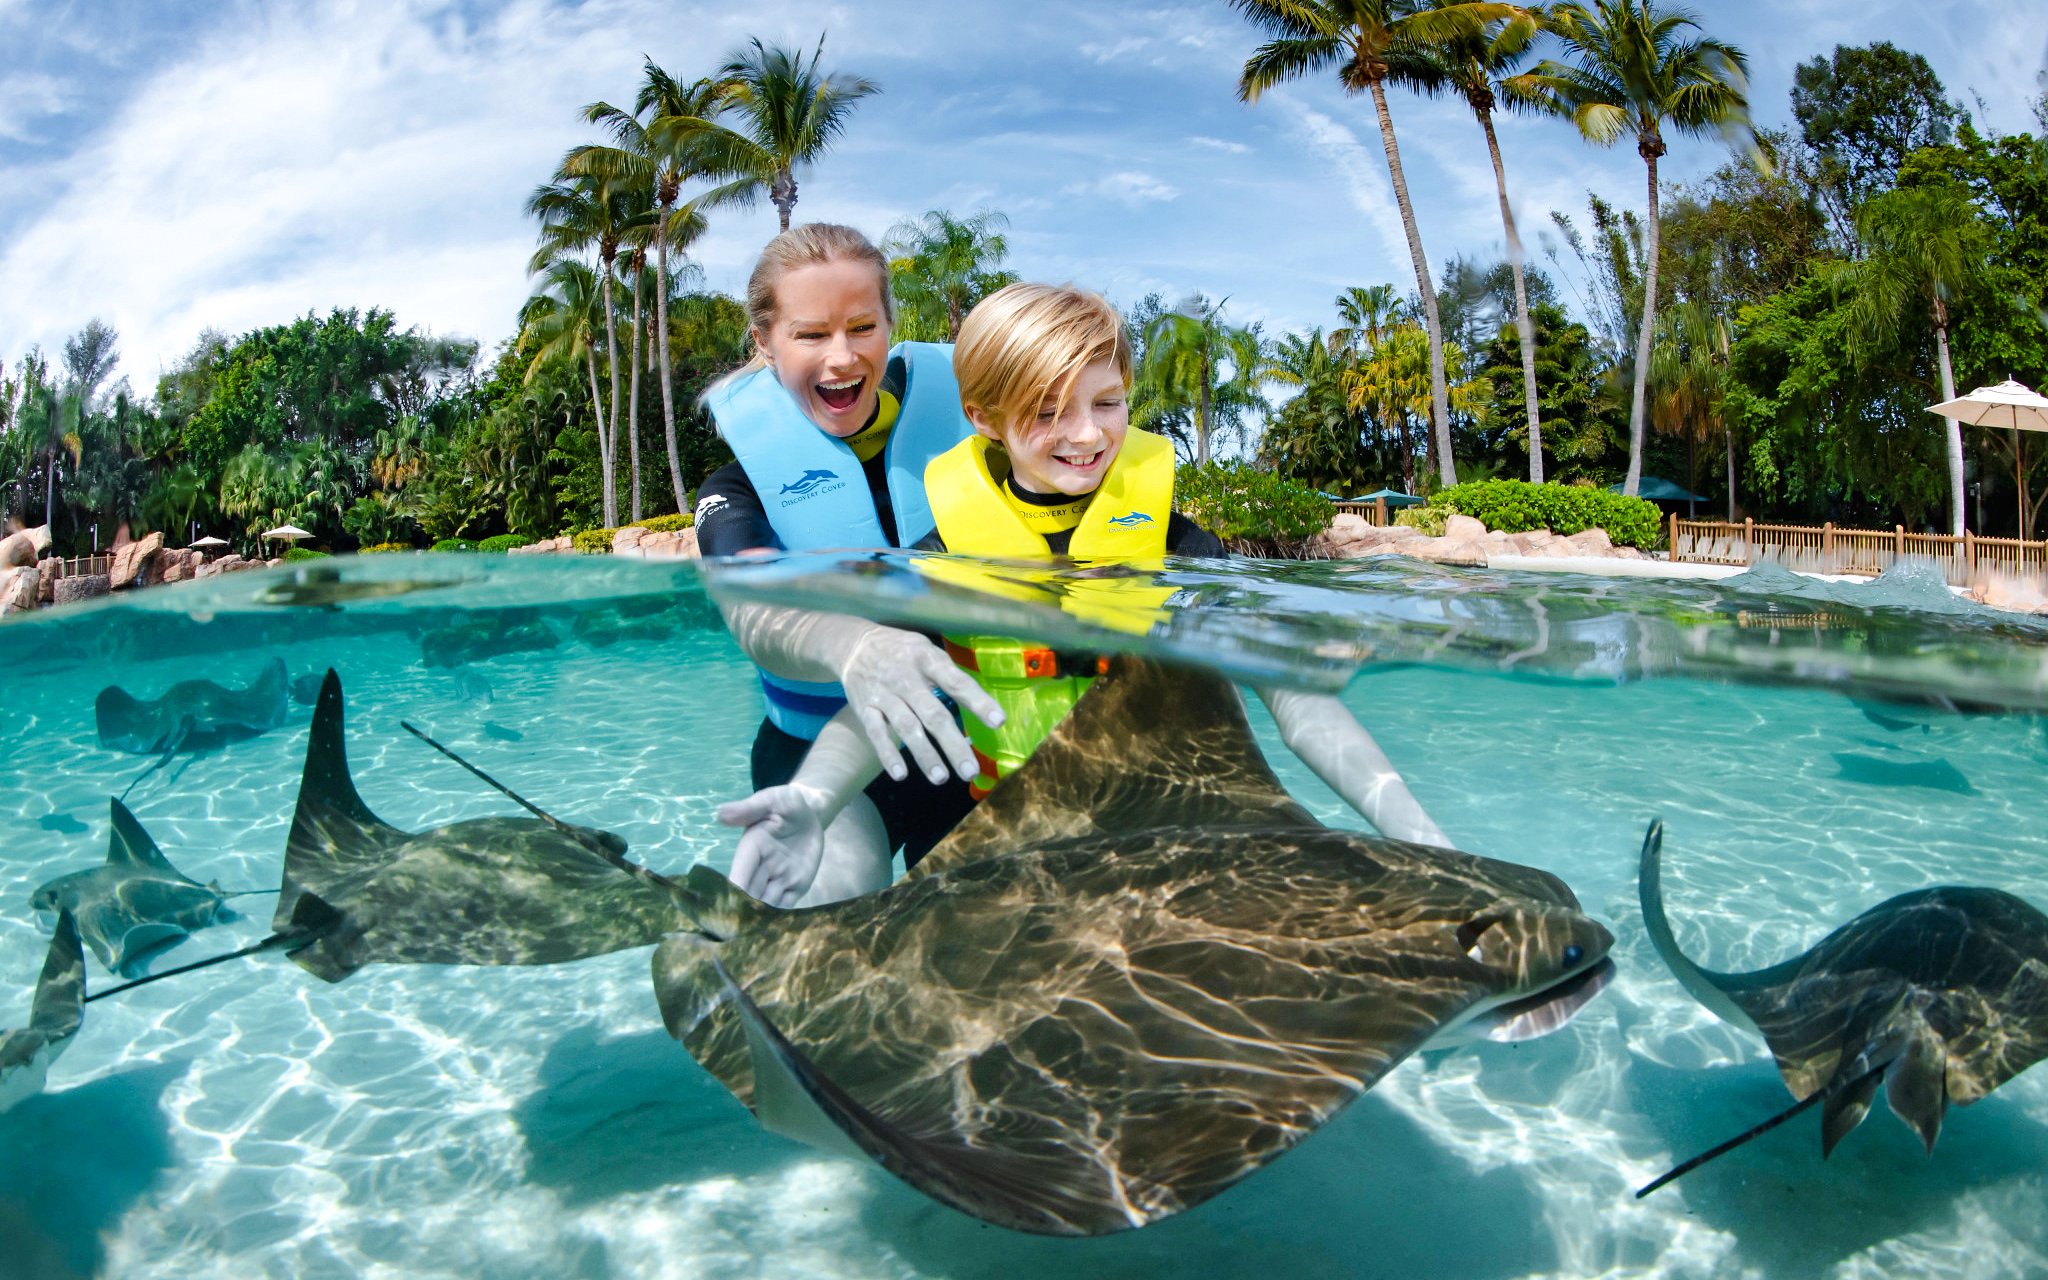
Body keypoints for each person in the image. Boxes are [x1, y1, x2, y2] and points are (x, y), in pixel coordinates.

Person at [722, 283, 1449, 906]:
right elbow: (882, 696)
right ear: (982, 417)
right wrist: (815, 800)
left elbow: (1297, 697)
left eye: (1108, 403)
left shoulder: (1173, 544)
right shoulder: (943, 556)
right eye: (1045, 412)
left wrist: (1424, 842)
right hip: (1015, 844)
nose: (1086, 434)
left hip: (1151, 839)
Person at [694, 223, 1005, 905]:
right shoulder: (735, 489)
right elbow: (751, 607)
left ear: (890, 326)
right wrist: (852, 643)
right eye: (810, 335)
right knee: (824, 921)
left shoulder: (981, 449)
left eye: (862, 326)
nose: (842, 358)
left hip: (970, 744)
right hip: (816, 756)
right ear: (765, 343)